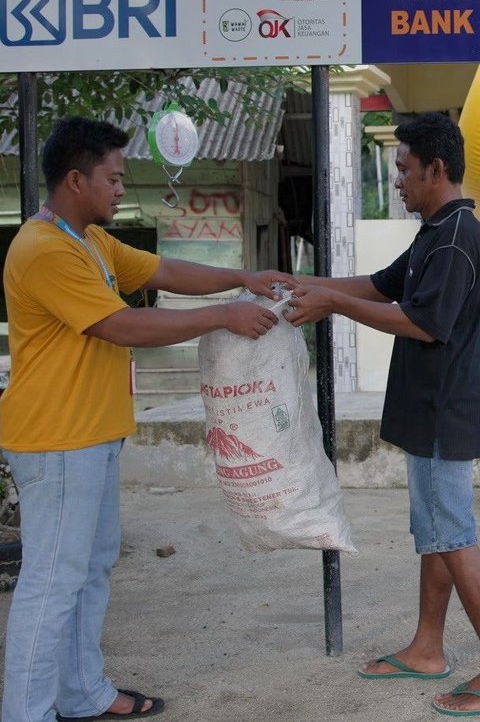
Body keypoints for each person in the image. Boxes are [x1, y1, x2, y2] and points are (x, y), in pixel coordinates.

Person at [0, 115, 297, 722]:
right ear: (76, 179)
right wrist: (222, 317)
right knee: (52, 584)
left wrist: (241, 278)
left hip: (92, 434)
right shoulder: (45, 248)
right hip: (56, 439)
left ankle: (82, 693)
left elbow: (162, 273)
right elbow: (121, 325)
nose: (119, 188)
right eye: (112, 177)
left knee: (88, 570)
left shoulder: (89, 240)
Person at [286, 112, 480, 717]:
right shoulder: (435, 230)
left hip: (444, 413)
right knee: (436, 536)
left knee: (452, 533)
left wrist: (331, 304)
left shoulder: (455, 237)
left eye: (403, 169)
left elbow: (424, 322)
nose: (397, 180)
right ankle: (427, 648)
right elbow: (379, 284)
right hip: (430, 414)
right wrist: (301, 283)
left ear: (436, 169)